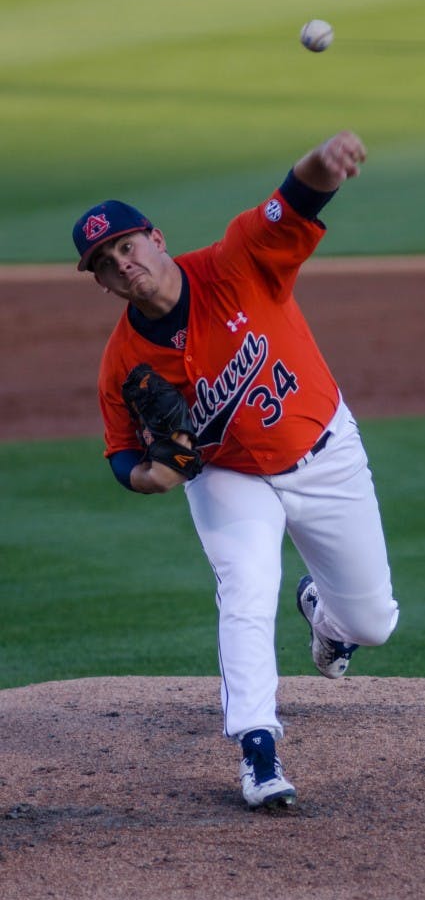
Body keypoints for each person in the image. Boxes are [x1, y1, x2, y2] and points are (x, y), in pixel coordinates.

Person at [72, 131, 399, 809]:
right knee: (245, 588)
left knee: (374, 625)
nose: (122, 264)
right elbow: (122, 456)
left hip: (324, 451)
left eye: (126, 245)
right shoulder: (121, 363)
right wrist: (151, 479)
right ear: (100, 282)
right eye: (105, 262)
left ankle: (329, 621)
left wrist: (325, 159)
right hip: (226, 478)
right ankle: (258, 750)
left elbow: (298, 196)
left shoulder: (237, 259)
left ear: (156, 239)